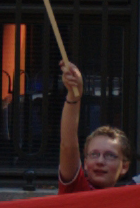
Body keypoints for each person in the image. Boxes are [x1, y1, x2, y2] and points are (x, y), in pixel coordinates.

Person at [55, 61, 132, 192]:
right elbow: (68, 146)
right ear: (85, 163)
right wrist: (74, 95)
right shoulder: (76, 188)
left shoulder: (129, 200)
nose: (100, 162)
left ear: (124, 166)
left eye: (110, 155)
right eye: (94, 154)